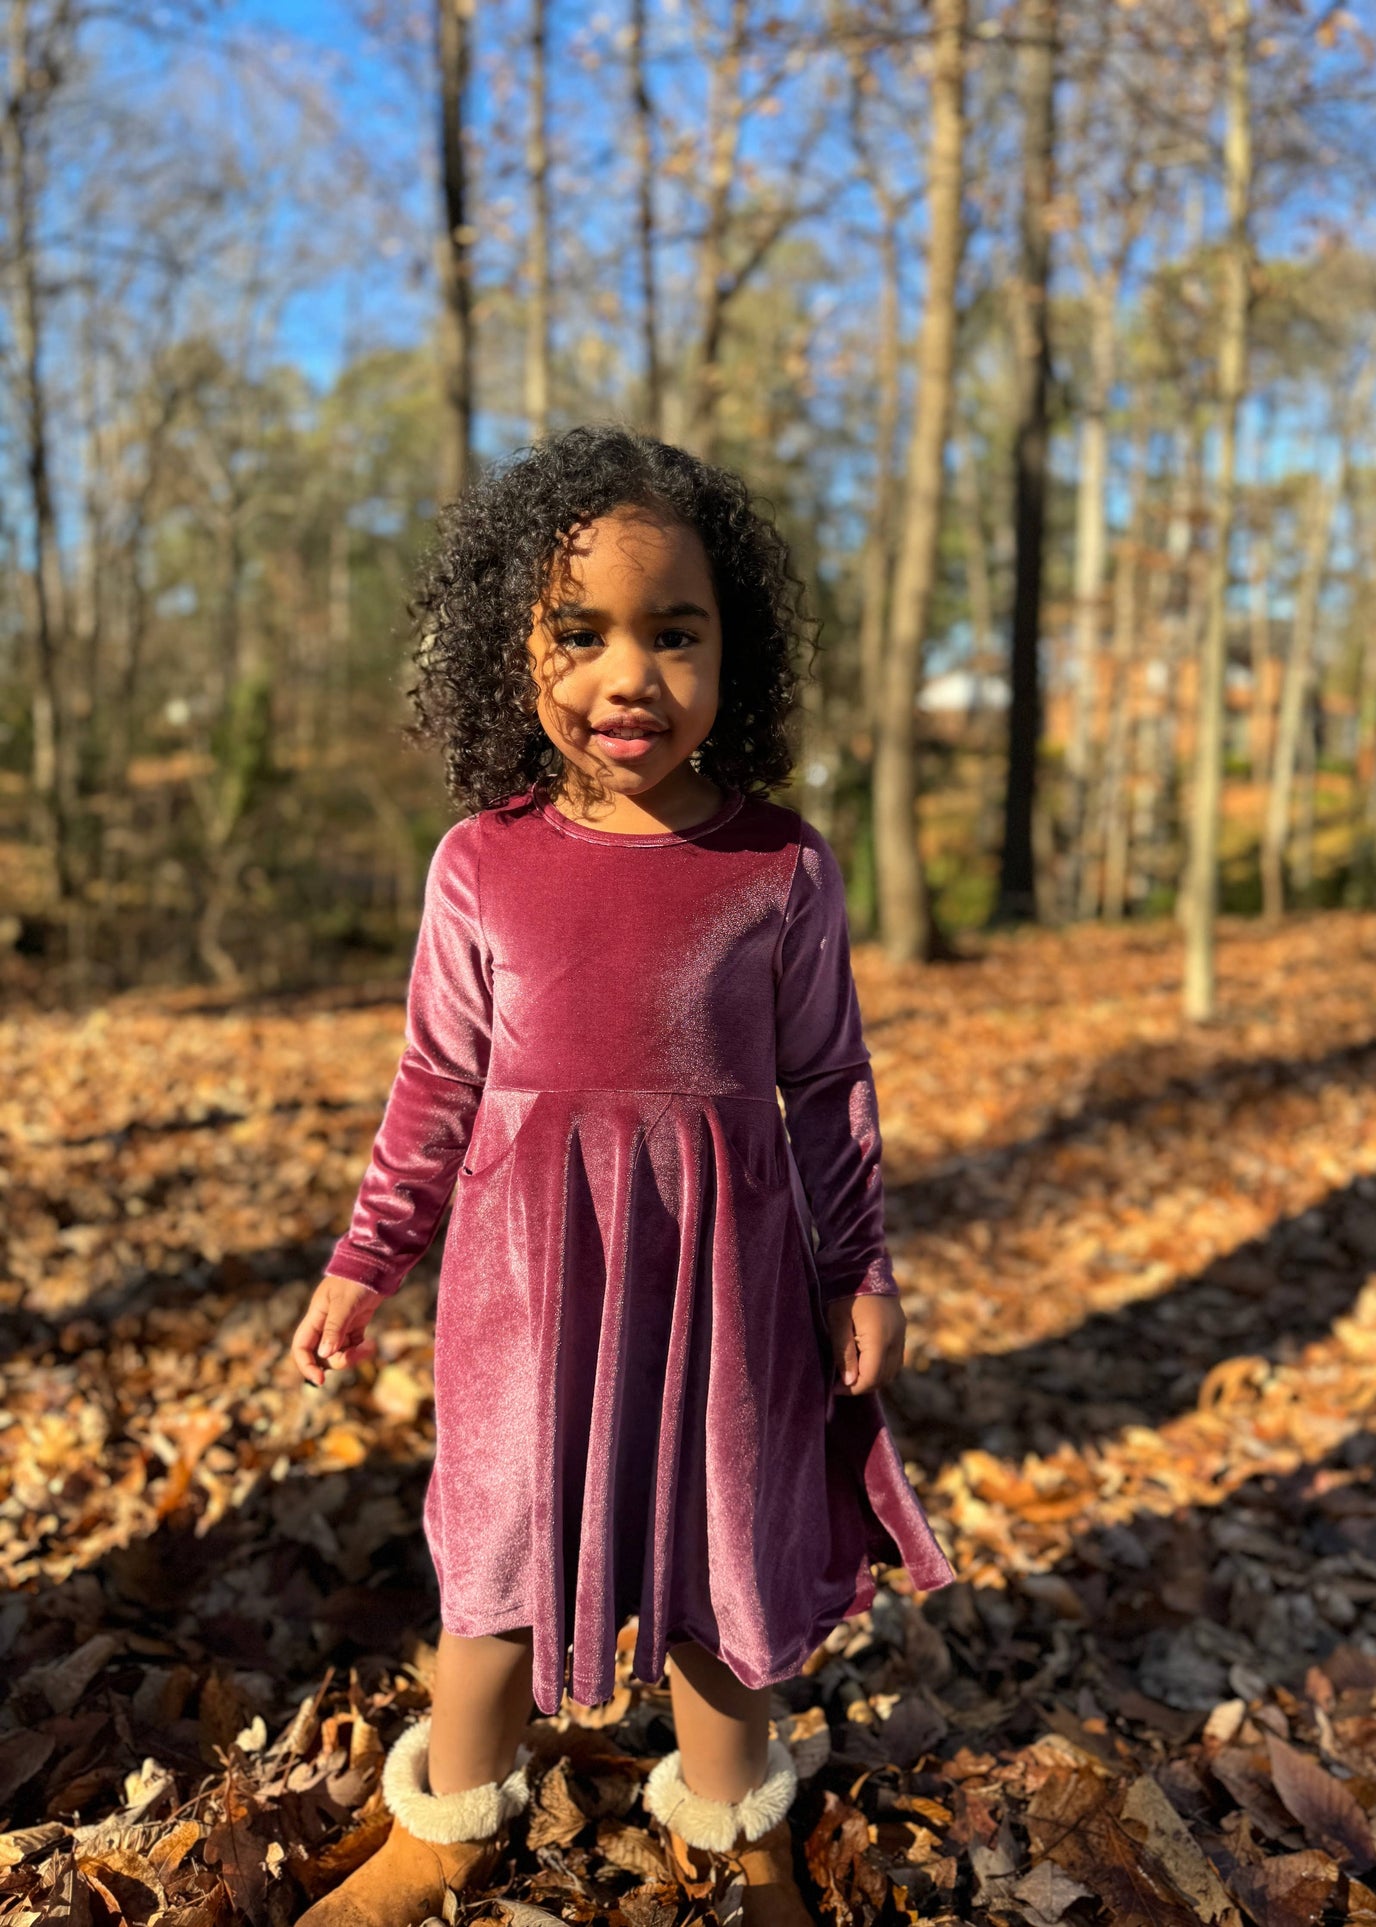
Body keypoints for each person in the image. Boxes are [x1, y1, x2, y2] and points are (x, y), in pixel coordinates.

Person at [288, 422, 956, 1927]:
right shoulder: (480, 861)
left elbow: (827, 1082)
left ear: (737, 651)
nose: (626, 676)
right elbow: (436, 1081)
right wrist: (363, 1257)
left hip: (728, 1280)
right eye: (576, 634)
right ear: (509, 652)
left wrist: (859, 1269)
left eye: (673, 632)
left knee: (733, 1543)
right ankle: (450, 1823)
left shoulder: (777, 868)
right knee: (503, 1532)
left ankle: (733, 1827)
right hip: (524, 1286)